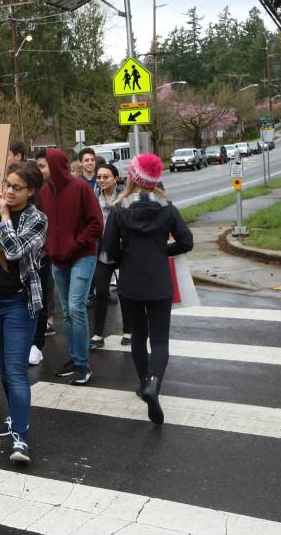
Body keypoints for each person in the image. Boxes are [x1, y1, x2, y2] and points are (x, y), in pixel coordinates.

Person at [102, 154, 193, 425]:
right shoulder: (167, 208)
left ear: (132, 178)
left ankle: (143, 385)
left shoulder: (119, 209)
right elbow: (187, 242)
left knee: (138, 336)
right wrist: (164, 250)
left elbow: (108, 249)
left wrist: (123, 258)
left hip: (130, 282)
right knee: (161, 340)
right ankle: (154, 382)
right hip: (159, 282)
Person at [0, 161, 49, 464]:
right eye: (7, 184)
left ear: (31, 190)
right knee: (3, 369)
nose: (8, 190)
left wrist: (5, 216)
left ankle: (21, 437)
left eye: (16, 187)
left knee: (16, 371)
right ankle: (13, 418)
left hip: (19, 304)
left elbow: (14, 250)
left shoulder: (38, 219)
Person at [37, 148, 103, 385]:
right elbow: (43, 223)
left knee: (75, 307)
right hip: (58, 259)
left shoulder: (81, 189)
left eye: (43, 165)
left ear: (55, 166)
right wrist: (50, 247)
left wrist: (75, 245)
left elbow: (97, 224)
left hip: (82, 256)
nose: (39, 170)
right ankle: (75, 358)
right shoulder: (44, 192)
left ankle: (83, 365)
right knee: (66, 312)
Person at [90, 164, 129, 350]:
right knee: (101, 292)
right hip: (102, 253)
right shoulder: (93, 199)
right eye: (99, 177)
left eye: (106, 177)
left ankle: (128, 330)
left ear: (115, 178)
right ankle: (98, 334)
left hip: (122, 252)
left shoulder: (125, 199)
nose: (102, 180)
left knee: (125, 292)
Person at [28, 150, 56, 365]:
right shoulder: (34, 193)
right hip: (26, 256)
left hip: (42, 255)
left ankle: (37, 343)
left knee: (40, 298)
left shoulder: (50, 191)